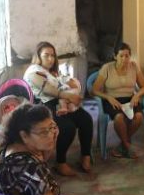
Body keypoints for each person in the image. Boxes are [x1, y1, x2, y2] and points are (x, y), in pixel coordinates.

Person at [23, 41, 93, 176]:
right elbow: (49, 90)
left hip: (59, 102)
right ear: (38, 56)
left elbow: (63, 83)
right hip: (43, 107)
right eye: (46, 55)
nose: (50, 59)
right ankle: (60, 163)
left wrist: (70, 91)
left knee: (86, 119)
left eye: (52, 56)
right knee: (67, 128)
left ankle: (86, 155)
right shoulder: (33, 72)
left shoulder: (51, 72)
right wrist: (69, 96)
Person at [92, 42, 144, 159]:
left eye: (127, 56)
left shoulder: (134, 66)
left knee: (138, 117)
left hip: (130, 99)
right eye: (121, 56)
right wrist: (108, 97)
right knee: (119, 118)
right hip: (112, 99)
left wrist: (137, 96)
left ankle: (122, 145)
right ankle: (127, 145)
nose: (124, 59)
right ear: (115, 56)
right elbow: (94, 90)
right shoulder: (107, 68)